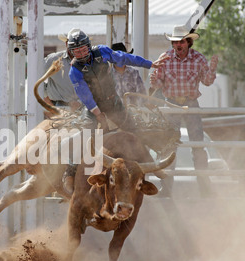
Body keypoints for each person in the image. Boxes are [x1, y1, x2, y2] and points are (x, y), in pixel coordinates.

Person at [62, 28, 167, 192]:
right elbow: (85, 95)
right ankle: (70, 172)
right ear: (71, 51)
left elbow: (124, 57)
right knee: (85, 135)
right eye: (77, 50)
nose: (81, 53)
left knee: (134, 130)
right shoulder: (74, 71)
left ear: (88, 46)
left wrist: (149, 64)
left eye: (83, 48)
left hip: (113, 103)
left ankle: (152, 164)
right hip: (92, 107)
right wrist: (98, 114)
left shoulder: (102, 52)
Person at [150, 25, 219, 197]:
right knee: (168, 147)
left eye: (181, 41)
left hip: (190, 103)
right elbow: (157, 84)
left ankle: (204, 186)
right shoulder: (165, 58)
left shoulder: (198, 59)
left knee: (198, 145)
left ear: (188, 42)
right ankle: (166, 187)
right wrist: (154, 80)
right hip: (172, 104)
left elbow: (208, 82)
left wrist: (212, 69)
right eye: (175, 42)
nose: (178, 45)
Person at [43, 29, 83, 112]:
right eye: (73, 43)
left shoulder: (88, 60)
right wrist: (47, 100)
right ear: (66, 43)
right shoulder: (54, 59)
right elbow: (35, 76)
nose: (76, 46)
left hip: (84, 107)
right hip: (59, 107)